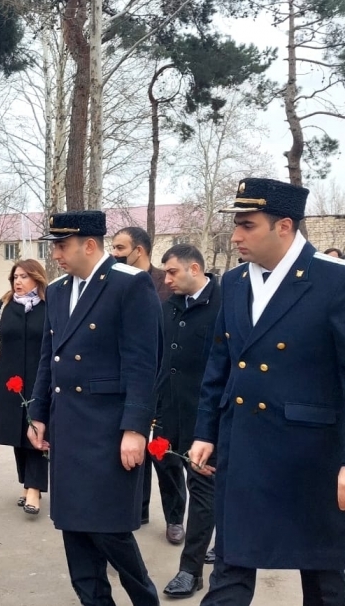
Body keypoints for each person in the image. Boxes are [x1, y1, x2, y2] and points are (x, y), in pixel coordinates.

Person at [188, 178, 345, 606]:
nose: (235, 235)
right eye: (235, 225)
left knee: (326, 578)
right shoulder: (236, 281)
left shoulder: (334, 281)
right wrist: (205, 431)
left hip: (312, 457)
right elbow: (219, 363)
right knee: (231, 566)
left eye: (247, 225)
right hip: (243, 446)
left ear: (284, 226)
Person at [27, 210, 162, 606]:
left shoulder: (129, 284)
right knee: (73, 529)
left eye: (62, 246)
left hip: (108, 430)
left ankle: (144, 600)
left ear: (89, 244)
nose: (56, 255)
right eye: (53, 247)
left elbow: (142, 363)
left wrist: (136, 429)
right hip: (68, 426)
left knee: (109, 531)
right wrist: (38, 412)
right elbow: (49, 356)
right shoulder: (57, 291)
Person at [155, 244, 221, 599]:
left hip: (206, 419)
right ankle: (184, 525)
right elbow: (161, 360)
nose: (166, 280)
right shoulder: (168, 308)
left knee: (203, 489)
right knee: (166, 469)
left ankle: (190, 570)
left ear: (194, 268)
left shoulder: (224, 303)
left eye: (172, 272)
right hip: (169, 415)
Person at [111, 225, 182, 540]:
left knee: (163, 454)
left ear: (138, 250)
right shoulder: (114, 283)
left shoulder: (165, 284)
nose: (114, 254)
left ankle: (175, 518)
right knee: (131, 448)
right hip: (131, 382)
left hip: (165, 383)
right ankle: (136, 510)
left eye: (120, 248)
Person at [0, 258, 48, 515]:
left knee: (36, 431)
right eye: (15, 277)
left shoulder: (49, 306)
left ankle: (34, 489)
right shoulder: (5, 306)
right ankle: (26, 483)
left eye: (24, 276)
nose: (18, 281)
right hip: (11, 381)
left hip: (40, 380)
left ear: (37, 279)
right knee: (17, 434)